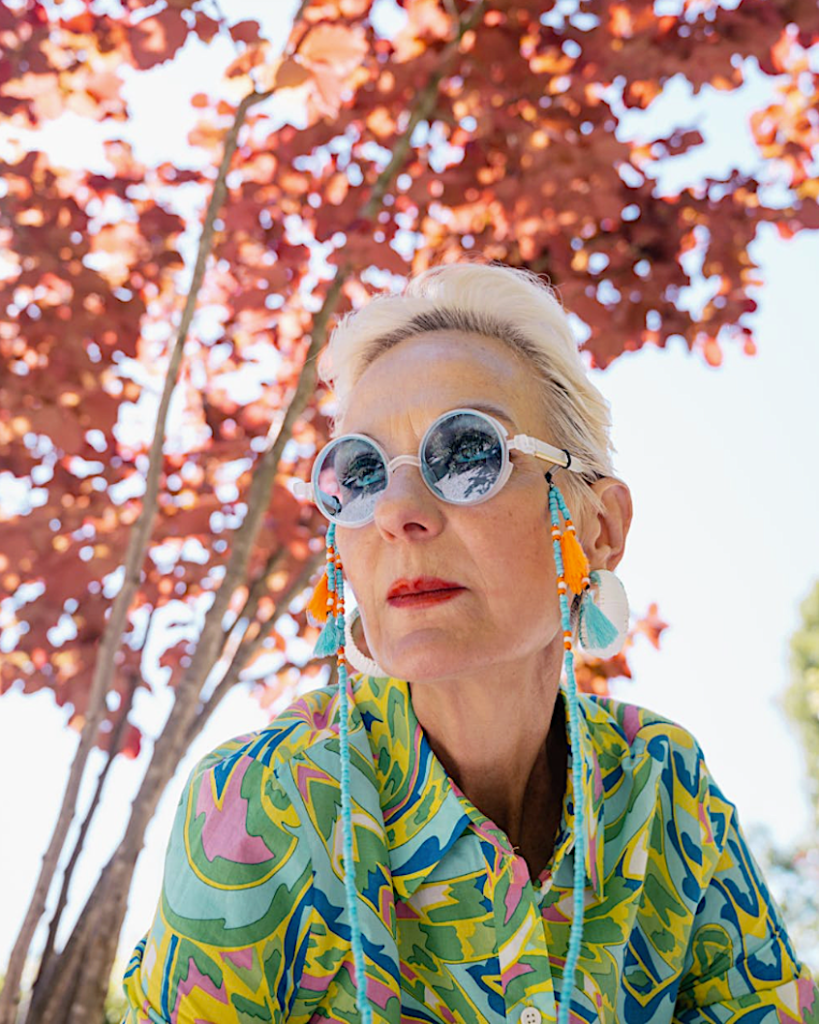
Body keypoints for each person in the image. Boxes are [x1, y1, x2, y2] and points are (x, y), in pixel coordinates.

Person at [122, 262, 819, 1024]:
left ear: (598, 528)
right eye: (359, 474)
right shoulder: (267, 800)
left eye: (466, 454)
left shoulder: (663, 786)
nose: (397, 514)